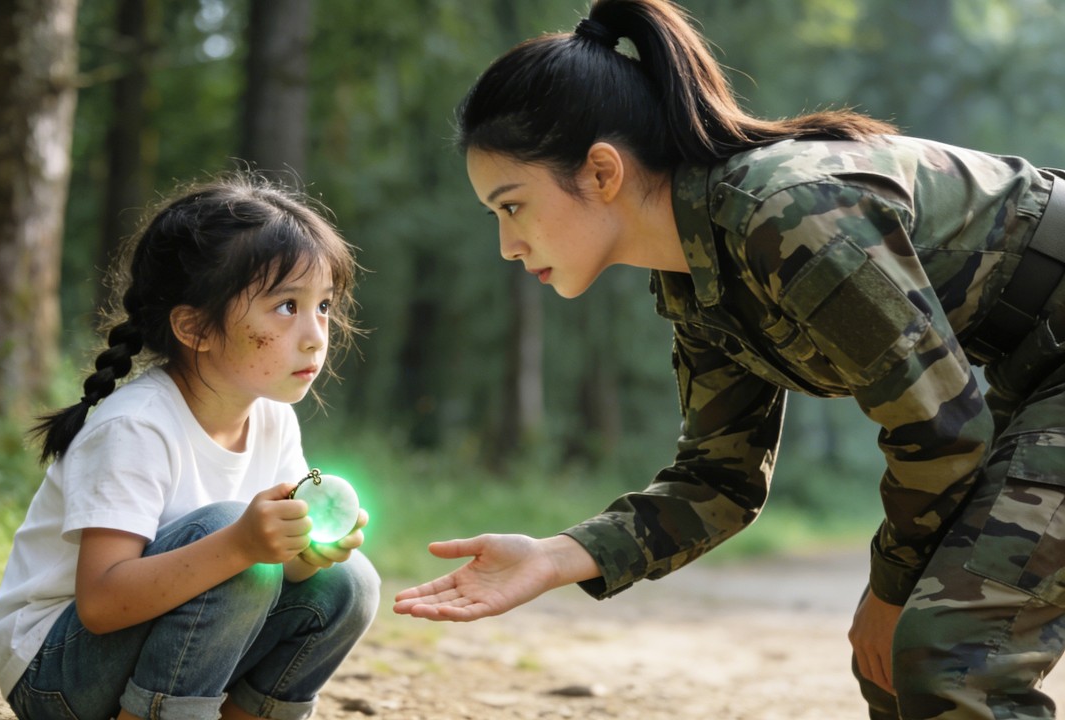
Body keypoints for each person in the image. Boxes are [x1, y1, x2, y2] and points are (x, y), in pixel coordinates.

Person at [391, 1, 1065, 718]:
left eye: (513, 207)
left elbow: (944, 429)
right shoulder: (698, 275)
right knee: (904, 665)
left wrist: (892, 588)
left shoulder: (788, 214)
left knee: (949, 653)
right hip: (1032, 373)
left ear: (600, 172)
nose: (508, 245)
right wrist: (555, 557)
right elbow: (721, 479)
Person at [0, 171, 379, 720]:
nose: (315, 334)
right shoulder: (136, 426)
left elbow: (276, 575)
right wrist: (241, 545)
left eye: (324, 307)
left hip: (171, 657)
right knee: (224, 538)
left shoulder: (276, 421)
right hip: (59, 678)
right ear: (195, 328)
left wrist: (306, 556)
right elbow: (99, 603)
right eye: (287, 306)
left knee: (349, 584)